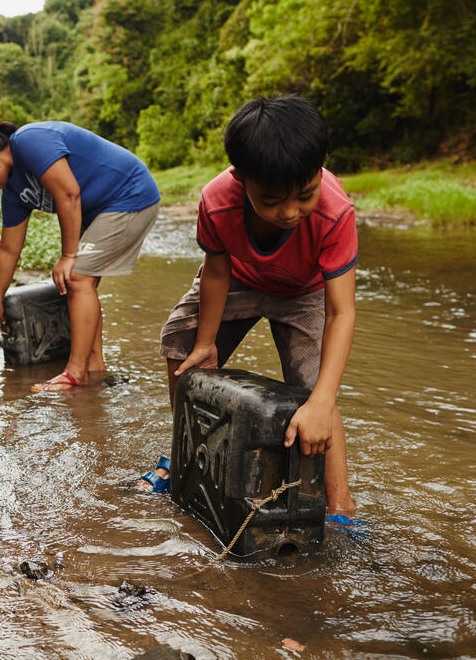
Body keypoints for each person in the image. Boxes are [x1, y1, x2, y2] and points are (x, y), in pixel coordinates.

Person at [146, 95, 357, 524]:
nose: (290, 212)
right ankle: (186, 456)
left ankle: (340, 506)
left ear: (321, 168)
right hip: (240, 279)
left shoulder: (335, 212)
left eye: (304, 195)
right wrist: (205, 343)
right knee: (180, 342)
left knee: (317, 387)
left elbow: (340, 312)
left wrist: (320, 401)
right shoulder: (217, 200)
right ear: (241, 178)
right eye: (272, 200)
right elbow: (217, 272)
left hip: (305, 290)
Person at [0, 120, 160, 392]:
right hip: (98, 210)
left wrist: (68, 255)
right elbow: (9, 249)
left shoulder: (30, 141)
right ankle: (94, 369)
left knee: (77, 277)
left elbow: (68, 194)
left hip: (129, 195)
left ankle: (74, 373)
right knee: (80, 283)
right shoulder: (13, 191)